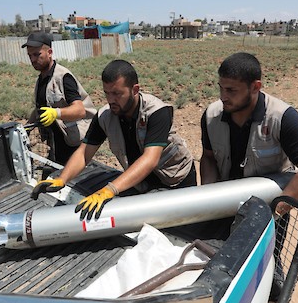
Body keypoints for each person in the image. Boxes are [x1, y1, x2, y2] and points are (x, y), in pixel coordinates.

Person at [32, 59, 197, 221]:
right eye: (107, 93)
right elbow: (84, 152)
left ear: (135, 90)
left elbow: (150, 159)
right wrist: (62, 179)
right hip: (143, 183)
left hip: (177, 180)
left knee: (182, 230)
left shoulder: (156, 112)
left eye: (117, 94)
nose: (111, 100)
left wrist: (109, 190)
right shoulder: (105, 116)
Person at [200, 52, 298, 215]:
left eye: (231, 90)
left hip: (269, 208)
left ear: (255, 87)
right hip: (225, 206)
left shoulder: (282, 117)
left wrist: (273, 213)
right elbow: (209, 157)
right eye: (221, 88)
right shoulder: (211, 115)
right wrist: (208, 200)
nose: (223, 97)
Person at [23, 32, 96, 165]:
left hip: (74, 144)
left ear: (49, 52)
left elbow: (80, 110)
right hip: (55, 143)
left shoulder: (63, 77)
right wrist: (25, 129)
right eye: (30, 55)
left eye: (37, 55)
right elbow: (39, 109)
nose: (33, 60)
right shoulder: (41, 79)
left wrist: (56, 113)